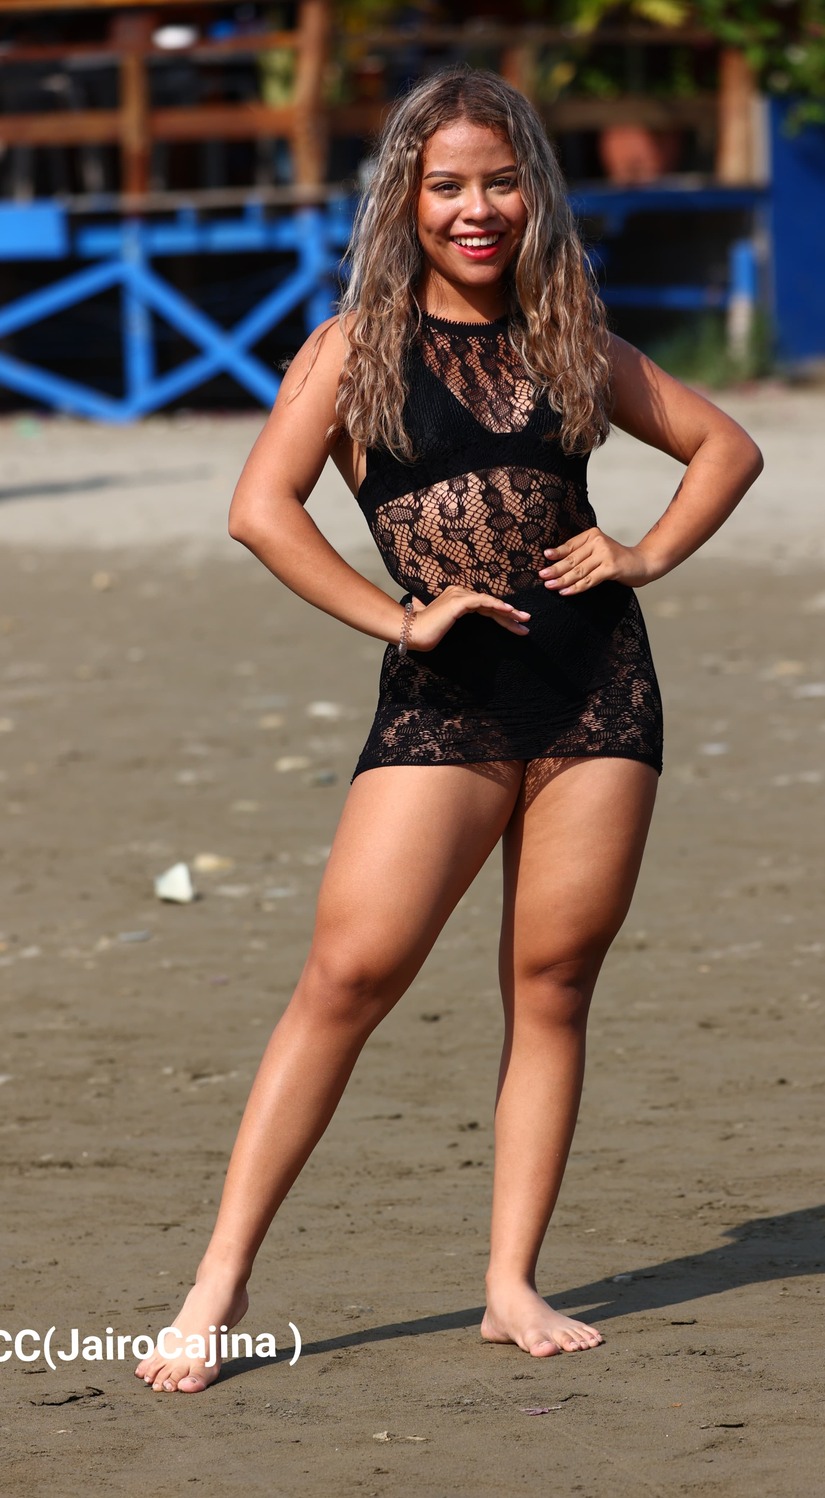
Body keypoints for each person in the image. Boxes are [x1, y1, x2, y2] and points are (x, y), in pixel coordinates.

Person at [135, 66, 763, 1394]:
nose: (477, 209)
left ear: (534, 192)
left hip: (598, 691)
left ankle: (508, 1282)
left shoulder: (567, 339)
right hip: (447, 701)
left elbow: (725, 447)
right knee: (349, 976)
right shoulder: (355, 346)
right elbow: (261, 509)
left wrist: (643, 553)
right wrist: (397, 617)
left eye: (501, 181)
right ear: (406, 200)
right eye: (448, 186)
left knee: (553, 982)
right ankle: (219, 1282)